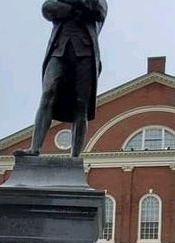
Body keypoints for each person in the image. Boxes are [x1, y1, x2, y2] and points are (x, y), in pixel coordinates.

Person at [16, 0, 108, 158]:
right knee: (48, 92)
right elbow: (47, 8)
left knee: (81, 105)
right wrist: (74, 9)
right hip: (58, 50)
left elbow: (98, 11)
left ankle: (75, 156)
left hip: (85, 52)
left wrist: (74, 6)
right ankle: (35, 148)